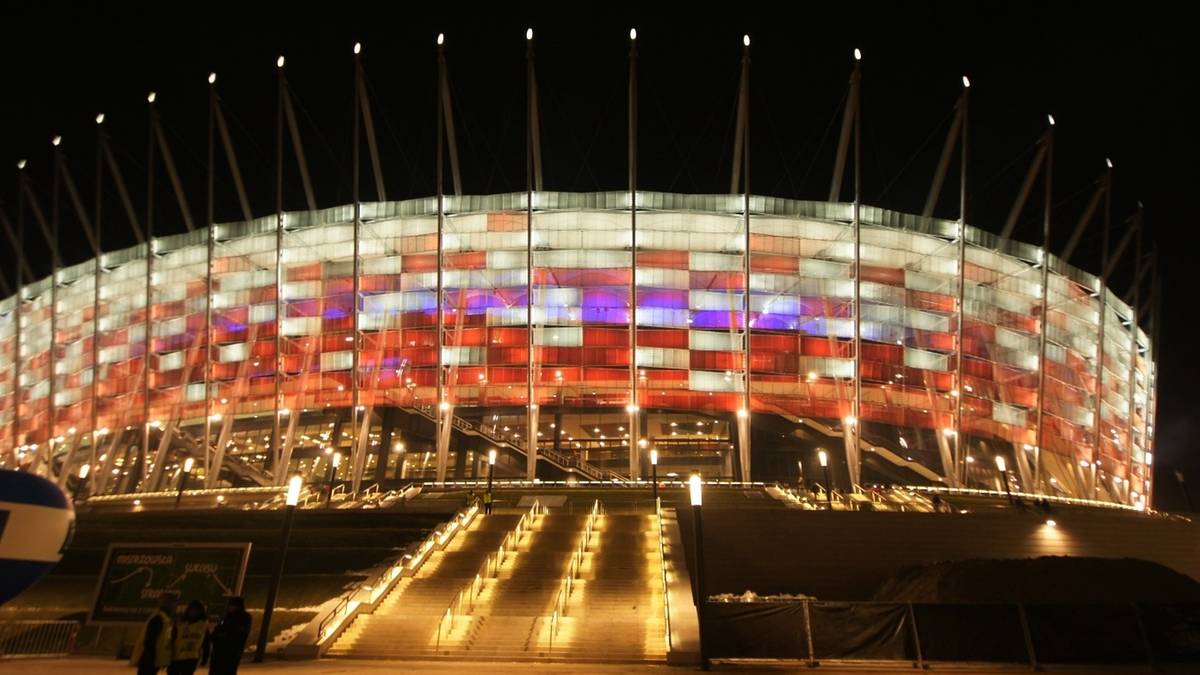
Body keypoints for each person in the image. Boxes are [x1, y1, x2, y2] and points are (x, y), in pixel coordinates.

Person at [131, 592, 178, 675]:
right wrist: (151, 658)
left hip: (154, 659)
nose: (175, 606)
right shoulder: (158, 619)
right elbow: (150, 640)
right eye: (173, 603)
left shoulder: (163, 619)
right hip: (150, 659)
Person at [203, 596, 251, 675]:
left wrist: (224, 634)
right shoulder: (226, 617)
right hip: (218, 652)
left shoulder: (244, 617)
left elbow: (239, 633)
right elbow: (218, 629)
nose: (230, 607)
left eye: (233, 605)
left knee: (227, 671)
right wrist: (215, 636)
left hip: (231, 653)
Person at [168, 600, 209, 675]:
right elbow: (172, 639)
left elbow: (206, 643)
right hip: (176, 658)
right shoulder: (179, 623)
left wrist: (205, 658)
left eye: (197, 610)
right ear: (188, 610)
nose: (194, 612)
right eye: (192, 609)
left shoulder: (203, 626)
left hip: (191, 659)